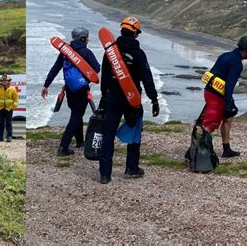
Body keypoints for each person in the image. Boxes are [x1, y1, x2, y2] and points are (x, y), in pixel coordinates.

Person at [98, 17, 159, 184]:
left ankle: (105, 174)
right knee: (134, 133)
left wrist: (104, 96)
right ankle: (131, 168)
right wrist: (154, 100)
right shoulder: (139, 54)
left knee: (108, 134)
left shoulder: (110, 51)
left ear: (121, 31)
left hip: (112, 97)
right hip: (132, 100)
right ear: (136, 34)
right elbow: (147, 78)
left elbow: (104, 75)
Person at [41, 27, 101, 156]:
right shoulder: (86, 52)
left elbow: (55, 68)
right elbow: (96, 68)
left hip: (69, 88)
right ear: (83, 38)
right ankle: (63, 146)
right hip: (81, 88)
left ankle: (80, 142)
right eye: (87, 37)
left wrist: (46, 85)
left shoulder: (65, 52)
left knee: (75, 113)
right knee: (76, 116)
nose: (88, 40)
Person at [201, 36, 247, 157]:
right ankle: (198, 152)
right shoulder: (237, 64)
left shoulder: (224, 55)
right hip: (218, 95)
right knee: (210, 124)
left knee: (228, 117)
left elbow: (212, 72)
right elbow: (230, 85)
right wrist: (228, 101)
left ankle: (226, 149)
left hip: (209, 91)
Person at [0, 74, 18, 142]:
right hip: (0, 109)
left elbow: (16, 100)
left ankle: (9, 137)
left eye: (6, 80)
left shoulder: (13, 89)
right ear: (1, 81)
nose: (4, 82)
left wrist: (13, 107)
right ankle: (0, 137)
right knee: (0, 124)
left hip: (8, 109)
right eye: (3, 80)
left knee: (8, 123)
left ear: (9, 81)